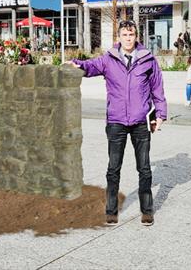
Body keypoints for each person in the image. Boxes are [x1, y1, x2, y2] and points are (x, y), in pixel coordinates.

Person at [68, 20, 167, 226]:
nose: (128, 38)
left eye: (131, 35)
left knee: (145, 168)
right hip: (116, 121)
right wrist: (77, 64)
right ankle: (111, 210)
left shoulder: (148, 59)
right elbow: (91, 66)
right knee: (113, 168)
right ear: (119, 37)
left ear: (136, 36)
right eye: (124, 35)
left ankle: (147, 211)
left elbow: (157, 89)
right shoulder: (109, 59)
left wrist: (160, 114)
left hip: (140, 121)